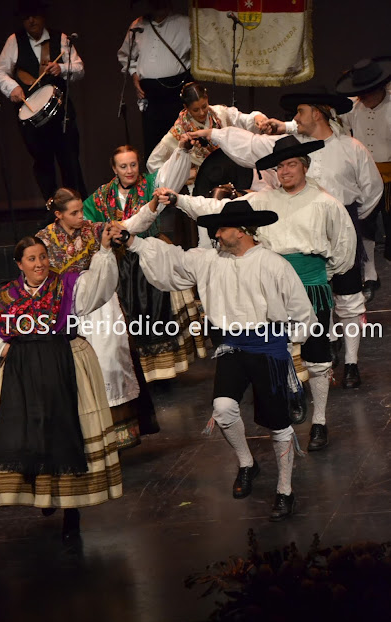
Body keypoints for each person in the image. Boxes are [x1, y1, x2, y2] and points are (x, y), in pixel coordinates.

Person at [110, 199, 316, 521]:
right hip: (231, 347)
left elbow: (302, 313)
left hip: (267, 349)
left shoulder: (273, 264)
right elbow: (173, 258)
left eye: (222, 229)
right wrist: (132, 241)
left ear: (242, 231)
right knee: (223, 408)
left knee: (279, 424)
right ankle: (247, 463)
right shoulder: (209, 260)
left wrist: (283, 344)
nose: (216, 234)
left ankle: (285, 489)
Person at [161, 135, 357, 451]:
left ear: (305, 166)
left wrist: (319, 276)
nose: (285, 171)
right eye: (280, 167)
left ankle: (319, 421)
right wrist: (179, 200)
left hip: (312, 286)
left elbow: (344, 249)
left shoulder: (326, 203)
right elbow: (220, 209)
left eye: (291, 164)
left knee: (317, 356)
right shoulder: (263, 200)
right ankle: (291, 395)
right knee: (275, 348)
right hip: (270, 285)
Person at [189, 90, 383, 389]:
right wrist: (213, 134)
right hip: (303, 230)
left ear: (317, 113)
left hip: (340, 226)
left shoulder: (351, 148)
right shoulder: (290, 146)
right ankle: (322, 352)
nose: (295, 118)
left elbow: (372, 189)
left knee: (348, 298)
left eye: (300, 112)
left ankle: (352, 363)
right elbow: (250, 144)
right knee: (314, 301)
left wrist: (349, 218)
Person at [0, 230, 122, 542]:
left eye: (43, 257)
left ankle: (71, 510)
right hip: (25, 371)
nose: (39, 264)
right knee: (34, 433)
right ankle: (45, 493)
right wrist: (3, 349)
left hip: (65, 362)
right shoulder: (7, 296)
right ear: (19, 264)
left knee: (68, 431)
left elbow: (100, 286)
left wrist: (105, 252)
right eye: (32, 259)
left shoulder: (67, 286)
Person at [36, 187, 159, 450]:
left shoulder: (94, 229)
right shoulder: (43, 239)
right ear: (58, 215)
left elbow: (132, 224)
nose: (81, 216)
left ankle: (120, 432)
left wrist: (153, 204)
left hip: (102, 303)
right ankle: (88, 435)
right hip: (69, 308)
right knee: (79, 370)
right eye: (74, 213)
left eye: (82, 210)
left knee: (111, 360)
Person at [83, 138, 208, 382]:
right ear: (114, 168)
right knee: (128, 316)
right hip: (120, 262)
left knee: (157, 311)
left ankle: (163, 369)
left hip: (149, 255)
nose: (129, 170)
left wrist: (182, 150)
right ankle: (136, 370)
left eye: (133, 165)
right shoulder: (102, 195)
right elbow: (87, 221)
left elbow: (172, 172)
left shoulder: (151, 184)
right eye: (123, 166)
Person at [0, 0, 87, 201]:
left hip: (61, 112)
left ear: (43, 16)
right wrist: (12, 87)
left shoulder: (60, 38)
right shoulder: (14, 41)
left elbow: (79, 68)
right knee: (43, 165)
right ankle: (52, 210)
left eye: (34, 15)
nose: (31, 21)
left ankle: (79, 207)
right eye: (26, 17)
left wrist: (62, 68)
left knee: (70, 161)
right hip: (32, 116)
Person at [336, 57, 391, 301]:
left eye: (368, 92)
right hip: (363, 175)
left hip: (390, 176)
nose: (363, 97)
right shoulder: (351, 108)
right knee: (364, 225)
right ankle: (370, 275)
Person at [118, 0, 192, 160]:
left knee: (179, 142)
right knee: (153, 145)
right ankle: (155, 177)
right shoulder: (138, 25)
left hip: (176, 91)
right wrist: (134, 74)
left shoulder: (185, 23)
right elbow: (125, 55)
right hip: (150, 94)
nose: (158, 4)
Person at [146, 81, 268, 178]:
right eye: (195, 110)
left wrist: (257, 118)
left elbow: (242, 120)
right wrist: (183, 175)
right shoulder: (178, 132)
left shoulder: (219, 113)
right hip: (202, 181)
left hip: (232, 171)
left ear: (207, 99)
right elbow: (153, 163)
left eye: (204, 106)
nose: (201, 112)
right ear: (186, 107)